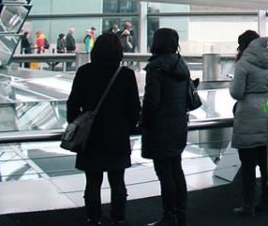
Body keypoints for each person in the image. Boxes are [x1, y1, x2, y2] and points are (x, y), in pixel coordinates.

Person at [66, 32, 140, 226]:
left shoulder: (84, 72)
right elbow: (134, 108)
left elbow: (73, 103)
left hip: (91, 136)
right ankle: (118, 218)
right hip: (117, 135)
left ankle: (93, 218)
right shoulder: (125, 74)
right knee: (118, 181)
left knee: (92, 182)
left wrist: (76, 123)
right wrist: (129, 127)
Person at [142, 28, 192, 226]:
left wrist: (143, 121)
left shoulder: (156, 68)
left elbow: (151, 102)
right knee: (176, 170)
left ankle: (169, 215)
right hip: (179, 124)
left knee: (164, 174)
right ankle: (181, 214)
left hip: (160, 127)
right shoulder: (181, 65)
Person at [230, 31, 268, 216]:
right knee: (265, 165)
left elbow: (237, 92)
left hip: (248, 116)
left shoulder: (243, 63)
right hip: (266, 111)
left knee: (248, 167)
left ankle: (248, 205)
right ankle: (265, 201)